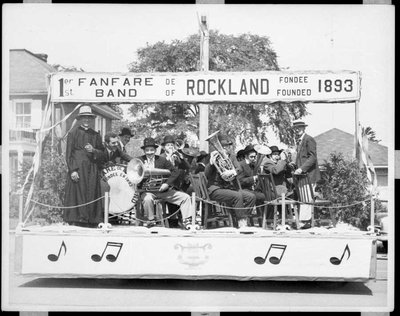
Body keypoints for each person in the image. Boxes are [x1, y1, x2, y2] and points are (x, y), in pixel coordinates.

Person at [137, 137, 193, 229]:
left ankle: (187, 221)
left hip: (163, 191)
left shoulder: (161, 160)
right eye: (147, 150)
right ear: (144, 151)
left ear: (155, 150)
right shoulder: (139, 160)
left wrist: (167, 184)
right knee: (147, 199)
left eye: (152, 150)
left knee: (185, 197)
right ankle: (150, 221)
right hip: (147, 191)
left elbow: (175, 171)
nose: (150, 152)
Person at [63, 105, 104, 228]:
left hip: (92, 169)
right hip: (78, 169)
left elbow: (103, 153)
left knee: (91, 193)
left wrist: (94, 150)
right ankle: (76, 220)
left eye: (88, 118)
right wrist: (72, 170)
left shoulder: (96, 135)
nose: (86, 120)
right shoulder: (73, 133)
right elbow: (69, 154)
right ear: (80, 119)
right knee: (78, 194)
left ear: (91, 119)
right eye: (84, 117)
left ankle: (91, 220)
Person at [205, 134, 256, 228]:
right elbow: (206, 174)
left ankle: (242, 217)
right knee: (237, 196)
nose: (225, 149)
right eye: (223, 147)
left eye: (227, 147)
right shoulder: (213, 157)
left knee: (251, 197)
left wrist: (231, 171)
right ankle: (242, 222)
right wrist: (211, 162)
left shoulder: (231, 157)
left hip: (229, 188)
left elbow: (239, 169)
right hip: (215, 189)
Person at [292, 119, 321, 228]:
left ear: (304, 128)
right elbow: (301, 158)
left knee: (307, 198)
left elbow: (313, 157)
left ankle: (304, 221)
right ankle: (304, 221)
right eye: (295, 128)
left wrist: (301, 169)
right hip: (302, 176)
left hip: (310, 175)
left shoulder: (309, 139)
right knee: (303, 197)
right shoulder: (299, 141)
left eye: (299, 128)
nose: (297, 130)